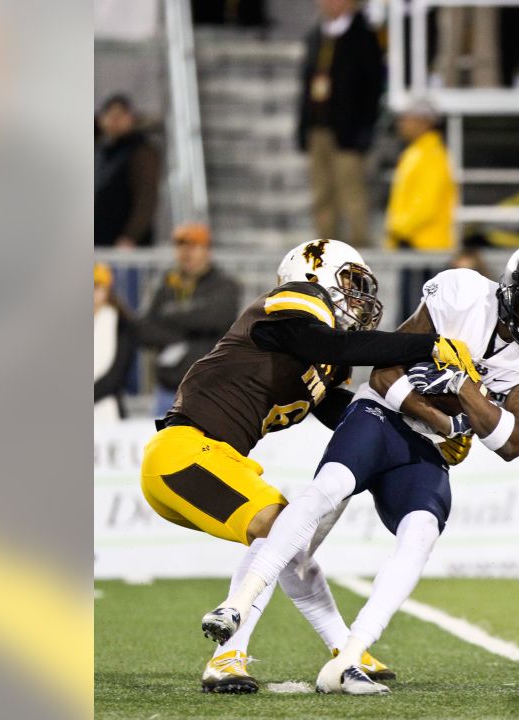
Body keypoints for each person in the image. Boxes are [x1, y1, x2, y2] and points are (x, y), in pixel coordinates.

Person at [205, 242, 519, 694]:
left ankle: (349, 657)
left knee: (421, 533)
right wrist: (451, 419)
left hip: (427, 446)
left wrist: (460, 391)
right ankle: (234, 621)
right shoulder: (462, 292)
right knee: (323, 496)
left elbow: (511, 441)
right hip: (379, 416)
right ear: (510, 291)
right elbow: (384, 376)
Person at [140, 239, 481, 693]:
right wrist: (428, 344)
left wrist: (428, 430)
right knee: (279, 529)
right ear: (316, 273)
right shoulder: (296, 305)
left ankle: (346, 652)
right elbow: (323, 340)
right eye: (352, 283)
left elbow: (353, 418)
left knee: (290, 545)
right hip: (181, 454)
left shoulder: (322, 359)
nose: (359, 298)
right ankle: (226, 658)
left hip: (211, 460)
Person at [297, 0, 384, 247]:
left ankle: (360, 244)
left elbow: (372, 87)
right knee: (321, 192)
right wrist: (303, 126)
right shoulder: (316, 35)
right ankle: (325, 245)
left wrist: (364, 128)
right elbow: (306, 86)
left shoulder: (363, 37)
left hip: (347, 130)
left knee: (351, 191)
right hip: (318, 126)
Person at [132, 224, 241, 416]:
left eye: (193, 247)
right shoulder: (167, 285)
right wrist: (179, 339)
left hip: (208, 390)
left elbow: (216, 318)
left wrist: (169, 315)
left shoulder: (224, 285)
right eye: (181, 247)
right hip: (167, 391)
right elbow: (144, 329)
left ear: (207, 251)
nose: (186, 253)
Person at [385, 99, 456, 251]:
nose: (402, 124)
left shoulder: (432, 156)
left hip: (426, 245)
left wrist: (399, 227)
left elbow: (426, 204)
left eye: (407, 118)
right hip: (411, 242)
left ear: (424, 122)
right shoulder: (417, 152)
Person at [95, 94, 160, 248]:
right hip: (101, 241)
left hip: (126, 246)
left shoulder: (141, 152)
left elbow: (147, 198)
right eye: (109, 116)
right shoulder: (101, 150)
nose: (114, 121)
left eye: (120, 116)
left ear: (130, 118)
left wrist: (130, 237)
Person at [94, 263, 136, 421]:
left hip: (107, 405)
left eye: (97, 287)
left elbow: (117, 374)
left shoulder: (121, 323)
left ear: (107, 290)